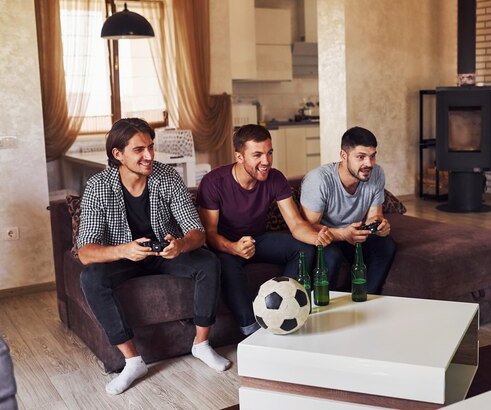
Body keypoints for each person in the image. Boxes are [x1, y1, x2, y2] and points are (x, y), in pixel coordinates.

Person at [76, 118, 230, 395]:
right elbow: (85, 251)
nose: (149, 156)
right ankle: (133, 361)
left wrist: (181, 245)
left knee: (208, 262)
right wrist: (124, 250)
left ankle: (202, 344)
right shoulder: (98, 186)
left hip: (164, 252)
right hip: (123, 255)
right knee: (90, 277)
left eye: (150, 147)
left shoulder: (167, 176)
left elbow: (196, 231)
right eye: (139, 150)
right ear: (118, 154)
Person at [196, 124, 332, 335]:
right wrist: (234, 247)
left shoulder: (275, 178)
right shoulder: (213, 182)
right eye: (257, 155)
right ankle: (251, 329)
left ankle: (287, 307)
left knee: (304, 249)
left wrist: (316, 237)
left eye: (269, 153)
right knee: (226, 266)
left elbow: (295, 224)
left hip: (258, 240)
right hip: (226, 245)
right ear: (239, 157)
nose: (266, 161)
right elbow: (210, 234)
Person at [300, 126, 397, 293]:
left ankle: (367, 298)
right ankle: (319, 308)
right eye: (361, 157)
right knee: (331, 256)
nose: (369, 164)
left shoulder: (377, 173)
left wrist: (380, 226)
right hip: (326, 236)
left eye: (372, 156)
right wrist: (343, 233)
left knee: (386, 245)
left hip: (355, 234)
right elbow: (308, 226)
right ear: (343, 156)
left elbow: (375, 215)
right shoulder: (318, 180)